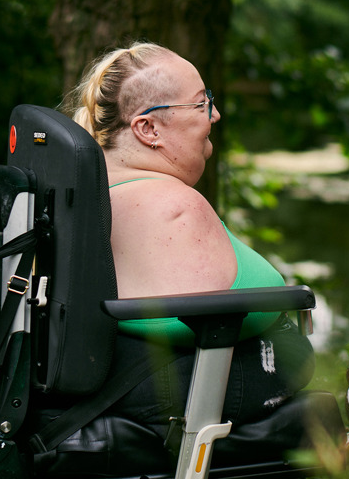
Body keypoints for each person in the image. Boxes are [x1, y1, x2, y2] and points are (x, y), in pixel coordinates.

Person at [61, 42, 314, 432]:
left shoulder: (88, 191)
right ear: (148, 129)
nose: (215, 114)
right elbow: (213, 329)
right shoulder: (173, 208)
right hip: (190, 387)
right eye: (200, 104)